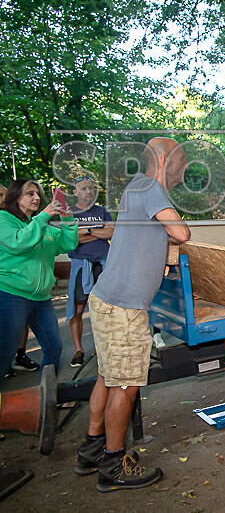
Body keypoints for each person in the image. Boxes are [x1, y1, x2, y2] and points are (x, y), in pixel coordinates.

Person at [78, 138, 190, 492]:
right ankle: (113, 464)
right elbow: (181, 232)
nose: (186, 167)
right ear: (164, 160)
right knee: (125, 386)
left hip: (106, 299)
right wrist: (174, 237)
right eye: (182, 159)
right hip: (124, 309)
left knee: (107, 377)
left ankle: (92, 448)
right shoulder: (152, 189)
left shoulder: (135, 187)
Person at [0, 179, 78, 380]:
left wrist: (67, 218)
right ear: (15, 196)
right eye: (30, 193)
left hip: (42, 299)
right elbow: (19, 242)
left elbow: (67, 244)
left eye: (38, 194)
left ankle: (47, 394)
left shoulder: (40, 224)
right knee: (5, 353)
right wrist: (44, 216)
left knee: (54, 349)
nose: (36, 198)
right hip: (11, 295)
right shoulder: (3, 219)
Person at [66, 176, 114, 368]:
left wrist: (85, 231)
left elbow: (111, 233)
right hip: (81, 266)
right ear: (75, 192)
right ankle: (78, 350)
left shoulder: (101, 211)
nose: (88, 191)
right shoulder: (69, 213)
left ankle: (107, 346)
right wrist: (96, 232)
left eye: (91, 188)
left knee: (106, 306)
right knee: (78, 308)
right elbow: (70, 239)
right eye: (84, 188)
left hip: (103, 265)